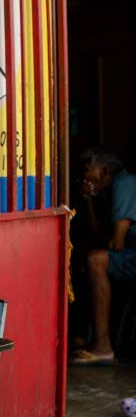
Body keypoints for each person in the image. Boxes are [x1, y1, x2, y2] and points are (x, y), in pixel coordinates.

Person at [73, 146, 136, 365]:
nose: (83, 175)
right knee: (88, 257)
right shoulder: (109, 190)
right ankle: (90, 337)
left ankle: (102, 346)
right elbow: (99, 236)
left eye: (88, 168)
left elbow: (116, 244)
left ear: (104, 170)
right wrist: (89, 201)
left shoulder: (123, 184)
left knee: (96, 260)